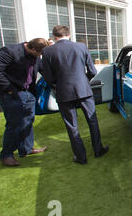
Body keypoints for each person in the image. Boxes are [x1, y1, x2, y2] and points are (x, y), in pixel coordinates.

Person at [41, 25, 109, 165]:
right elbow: (92, 71)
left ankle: (80, 157)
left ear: (55, 36)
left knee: (72, 125)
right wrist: (84, 81)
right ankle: (98, 150)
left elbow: (48, 77)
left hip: (63, 92)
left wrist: (57, 85)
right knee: (92, 120)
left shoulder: (47, 51)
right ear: (69, 35)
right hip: (83, 90)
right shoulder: (81, 47)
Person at [0, 38, 50, 167]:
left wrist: (56, 81)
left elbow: (43, 70)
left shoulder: (37, 53)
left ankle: (26, 149)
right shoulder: (9, 51)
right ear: (32, 49)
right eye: (38, 55)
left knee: (28, 120)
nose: (39, 57)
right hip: (9, 93)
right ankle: (7, 155)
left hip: (28, 92)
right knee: (14, 124)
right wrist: (10, 89)